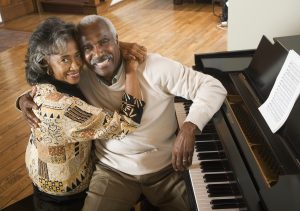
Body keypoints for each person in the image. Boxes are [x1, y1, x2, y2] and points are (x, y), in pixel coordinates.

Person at [19, 15, 227, 211]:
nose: (98, 53)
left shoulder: (156, 67)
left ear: (117, 40)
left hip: (165, 168)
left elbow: (213, 86)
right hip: (112, 171)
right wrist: (22, 99)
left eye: (104, 42)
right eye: (88, 47)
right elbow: (52, 88)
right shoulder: (80, 72)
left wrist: (189, 127)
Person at [22, 17, 145, 210]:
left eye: (77, 55)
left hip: (42, 182)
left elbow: (90, 51)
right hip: (67, 200)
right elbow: (127, 123)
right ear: (44, 62)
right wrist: (130, 68)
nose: (75, 65)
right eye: (65, 59)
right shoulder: (64, 107)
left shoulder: (43, 85)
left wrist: (116, 44)